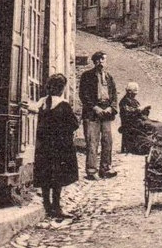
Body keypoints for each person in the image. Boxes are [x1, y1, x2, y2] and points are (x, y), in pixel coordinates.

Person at [33, 73, 79, 220]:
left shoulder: (42, 102)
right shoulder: (64, 104)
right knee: (58, 176)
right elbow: (74, 124)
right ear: (62, 88)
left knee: (45, 174)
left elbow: (35, 114)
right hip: (59, 145)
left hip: (44, 144)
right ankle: (57, 206)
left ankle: (47, 205)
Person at [78, 51, 117, 180]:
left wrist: (111, 108)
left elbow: (114, 95)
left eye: (103, 60)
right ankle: (91, 170)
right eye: (98, 60)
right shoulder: (87, 76)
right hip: (92, 114)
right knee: (92, 142)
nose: (101, 63)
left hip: (106, 114)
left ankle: (105, 168)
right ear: (94, 62)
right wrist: (95, 108)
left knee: (107, 142)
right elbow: (84, 95)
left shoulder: (109, 77)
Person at [119, 82, 151, 153]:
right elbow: (129, 112)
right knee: (153, 126)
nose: (136, 93)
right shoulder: (124, 101)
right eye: (135, 91)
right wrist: (141, 109)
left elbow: (138, 111)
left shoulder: (134, 100)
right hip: (130, 123)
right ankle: (143, 146)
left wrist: (146, 109)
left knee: (156, 124)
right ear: (129, 91)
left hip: (136, 120)